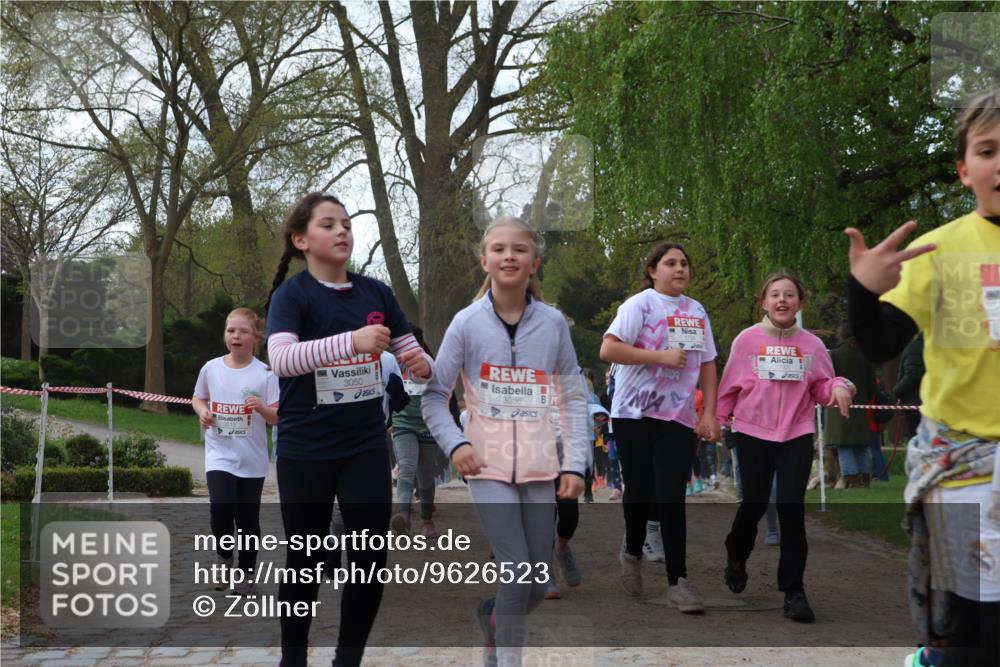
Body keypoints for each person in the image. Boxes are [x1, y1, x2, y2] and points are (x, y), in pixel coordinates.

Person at [846, 89, 999, 667]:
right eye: (987, 151)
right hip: (968, 474)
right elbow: (882, 341)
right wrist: (863, 290)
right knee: (973, 637)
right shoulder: (943, 248)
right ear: (965, 171)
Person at [263, 192, 433, 667]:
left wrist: (422, 364)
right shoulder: (291, 296)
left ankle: (347, 660)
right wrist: (351, 342)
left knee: (369, 558)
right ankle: (292, 659)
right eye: (329, 224)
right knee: (306, 560)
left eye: (347, 224)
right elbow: (281, 359)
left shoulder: (375, 293)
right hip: (305, 446)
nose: (342, 231)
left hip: (364, 445)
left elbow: (411, 352)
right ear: (301, 240)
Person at [422, 216, 588, 667]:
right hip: (487, 466)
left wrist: (574, 464)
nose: (508, 256)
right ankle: (506, 658)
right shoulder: (466, 324)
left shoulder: (552, 324)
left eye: (518, 250)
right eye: (498, 249)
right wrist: (457, 445)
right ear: (484, 261)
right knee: (516, 571)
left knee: (535, 584)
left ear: (534, 263)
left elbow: (573, 399)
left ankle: (495, 617)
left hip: (539, 467)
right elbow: (435, 397)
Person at [716, 272, 854, 623]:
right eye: (774, 294)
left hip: (795, 433)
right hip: (753, 432)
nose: (781, 300)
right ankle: (736, 553)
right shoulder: (746, 340)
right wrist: (715, 420)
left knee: (792, 509)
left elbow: (823, 385)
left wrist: (840, 387)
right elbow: (729, 387)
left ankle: (794, 591)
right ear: (763, 302)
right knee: (755, 504)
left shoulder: (812, 345)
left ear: (799, 303)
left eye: (789, 295)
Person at [599, 241, 720, 613]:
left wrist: (709, 414)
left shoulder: (696, 311)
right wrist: (659, 357)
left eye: (684, 263)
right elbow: (609, 350)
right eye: (670, 263)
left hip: (679, 416)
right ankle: (632, 551)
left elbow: (708, 364)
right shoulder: (640, 305)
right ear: (653, 270)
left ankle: (678, 582)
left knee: (671, 496)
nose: (680, 269)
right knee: (639, 492)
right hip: (634, 413)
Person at [192, 307, 279, 595]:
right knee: (221, 507)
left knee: (247, 520)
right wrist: (203, 412)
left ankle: (246, 572)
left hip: (251, 459)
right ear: (225, 335)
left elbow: (277, 416)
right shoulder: (211, 368)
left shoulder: (266, 374)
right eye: (231, 330)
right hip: (219, 454)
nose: (236, 336)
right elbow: (198, 397)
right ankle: (224, 557)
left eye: (242, 331)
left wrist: (262, 408)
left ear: (256, 337)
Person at [389, 326, 445, 539]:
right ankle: (403, 516)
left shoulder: (431, 365)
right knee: (406, 468)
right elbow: (385, 391)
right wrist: (388, 418)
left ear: (420, 344)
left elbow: (444, 396)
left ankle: (426, 520)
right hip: (402, 424)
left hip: (427, 425)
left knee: (426, 477)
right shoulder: (394, 364)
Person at [824, 323, 878, 489]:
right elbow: (872, 387)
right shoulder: (865, 356)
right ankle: (865, 478)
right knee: (861, 444)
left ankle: (850, 477)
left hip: (838, 406)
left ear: (841, 335)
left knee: (843, 443)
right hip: (860, 406)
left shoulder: (834, 354)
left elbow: (827, 380)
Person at [893, 334, 925, 440]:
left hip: (915, 403)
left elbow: (913, 376)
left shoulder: (913, 348)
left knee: (917, 440)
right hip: (927, 403)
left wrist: (896, 390)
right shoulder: (928, 345)